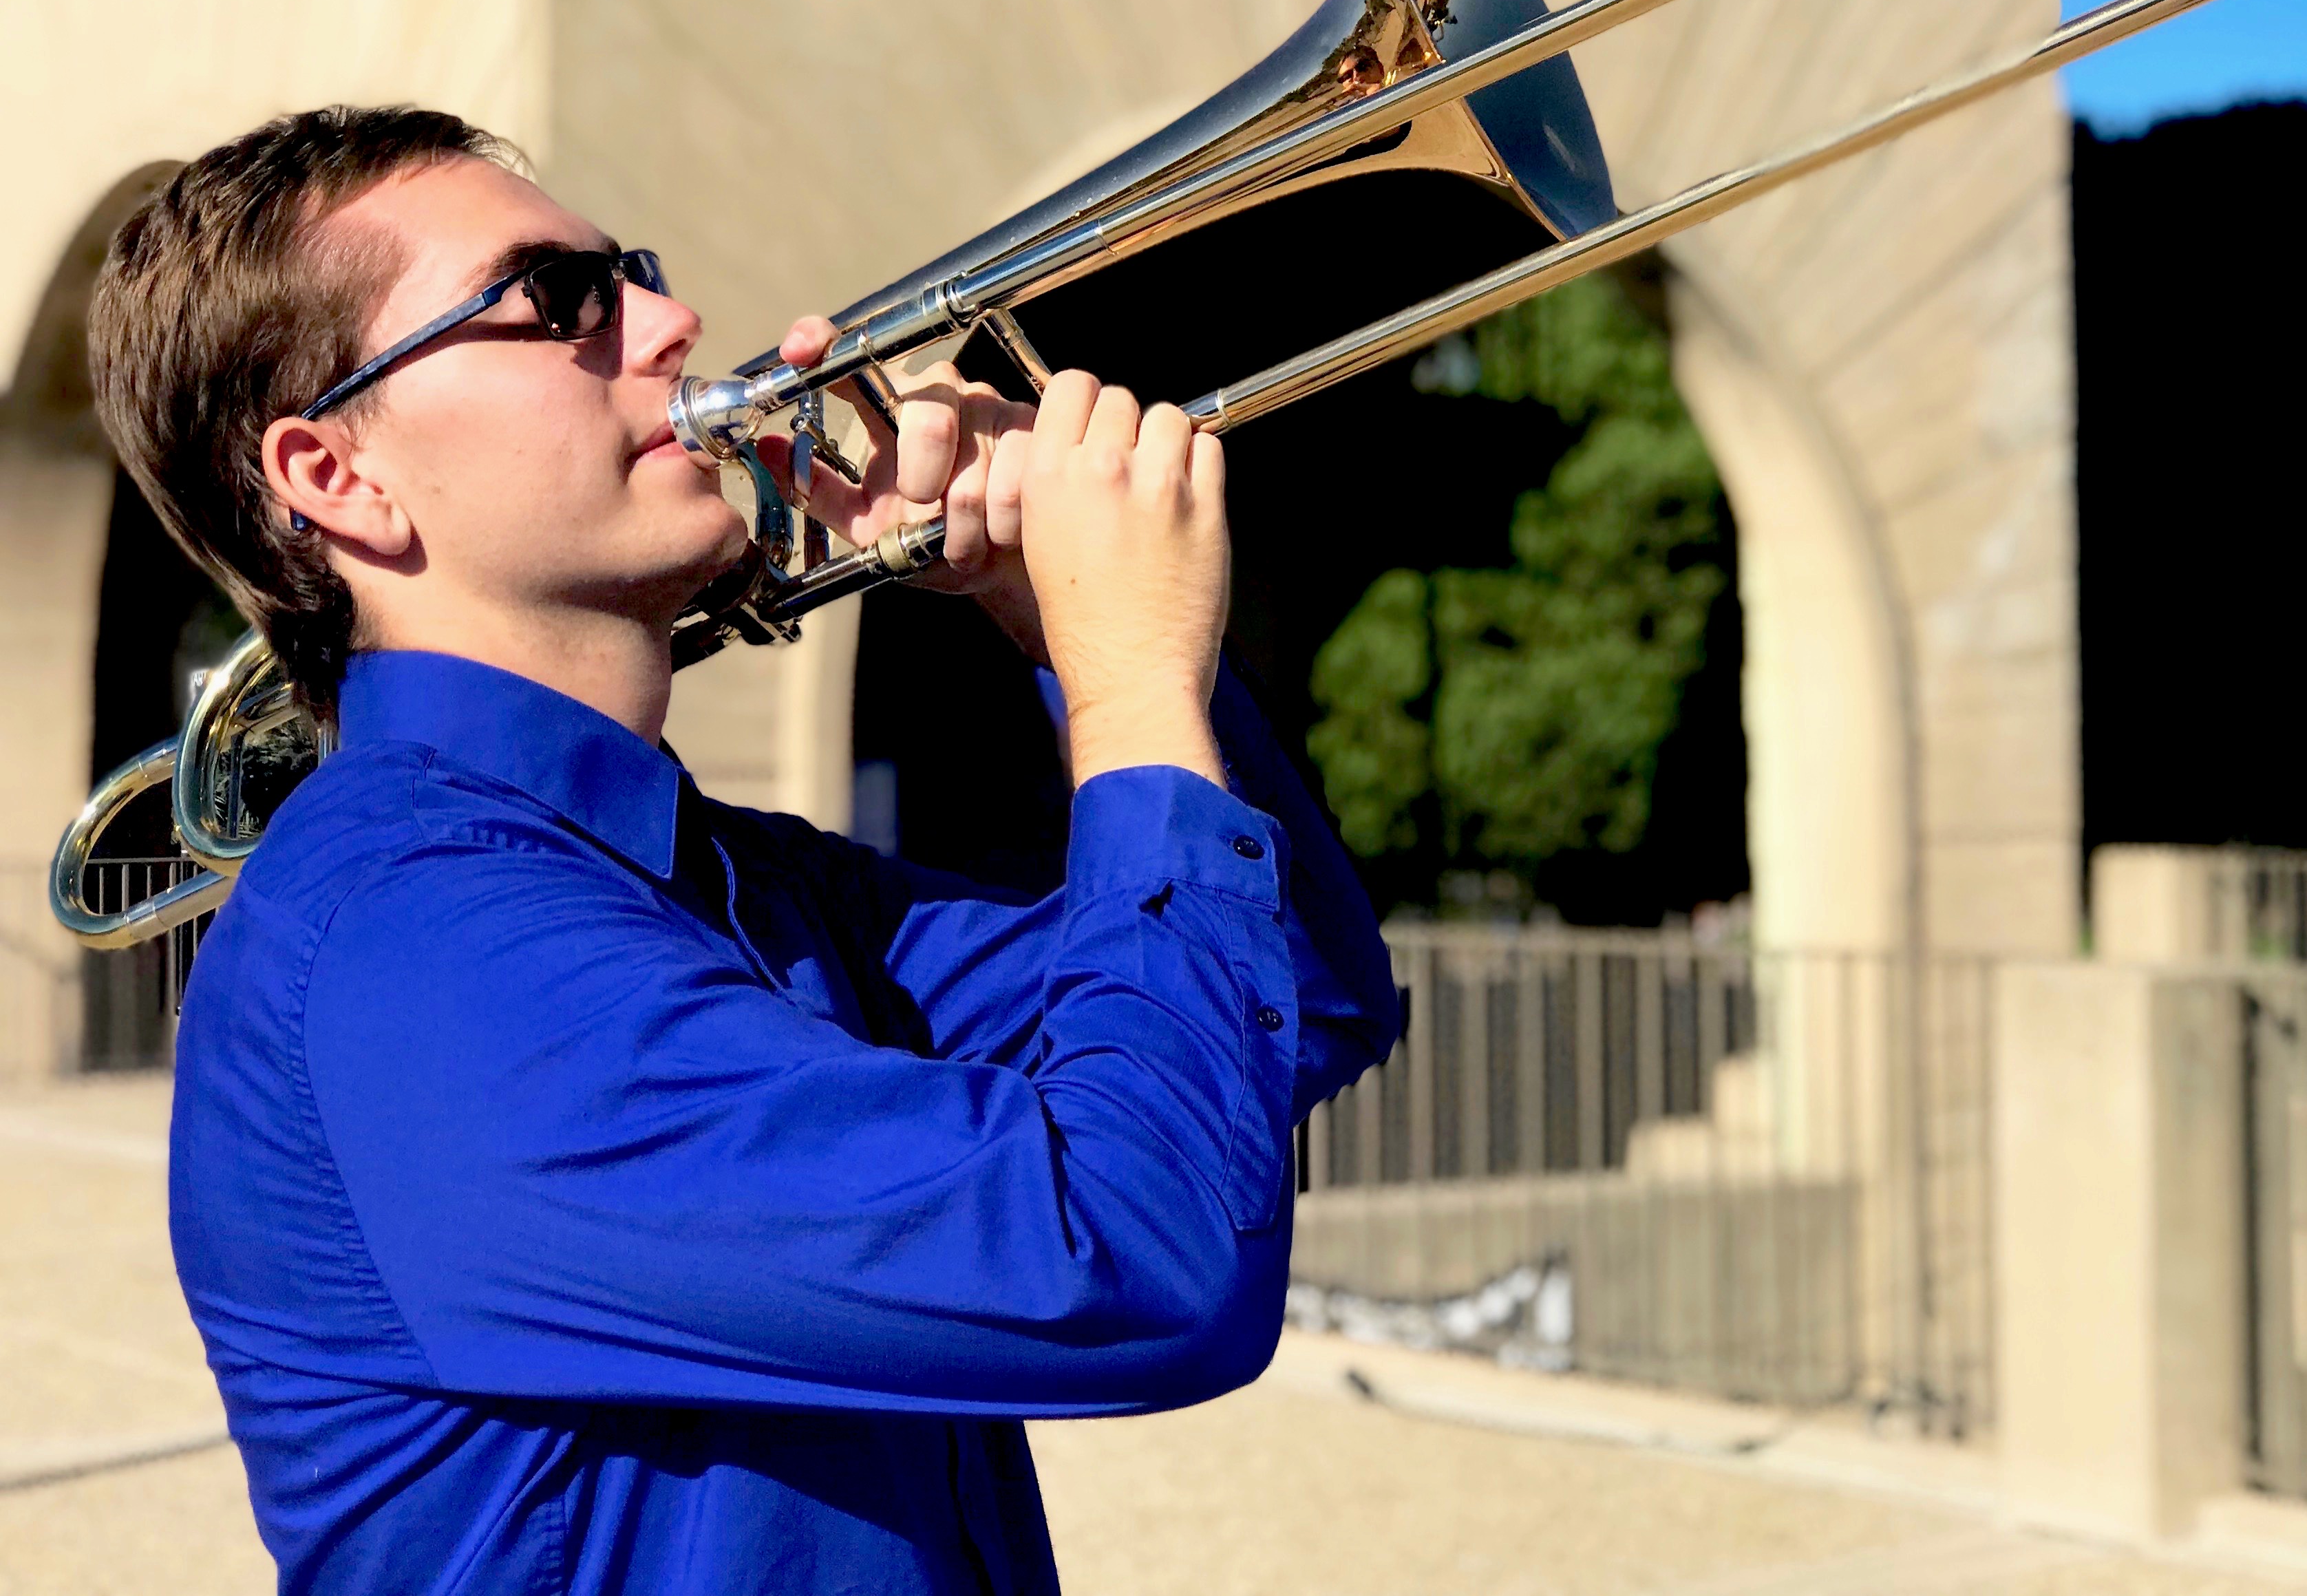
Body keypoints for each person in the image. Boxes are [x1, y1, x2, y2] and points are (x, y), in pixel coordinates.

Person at [87, 105, 1401, 1594]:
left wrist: (1063, 625)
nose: (671, 320)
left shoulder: (737, 877)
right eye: (559, 301)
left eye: (630, 269)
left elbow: (1303, 1002)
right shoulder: (420, 952)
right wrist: (1133, 681)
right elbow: (1146, 1255)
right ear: (338, 474)